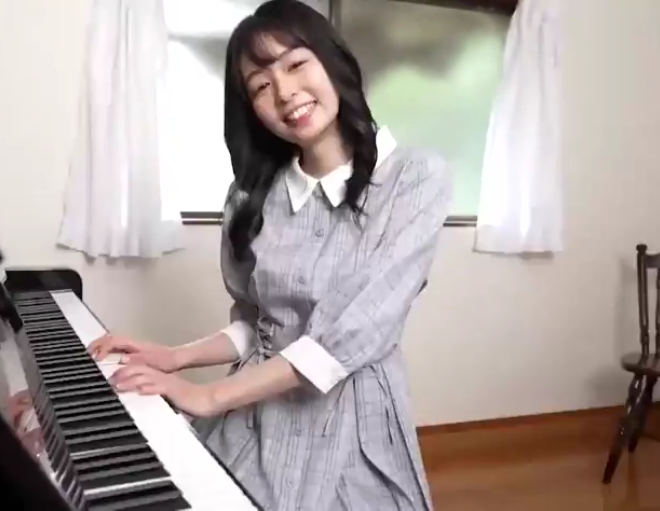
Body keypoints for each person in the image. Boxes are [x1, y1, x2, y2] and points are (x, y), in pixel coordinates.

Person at [88, 1, 452, 509]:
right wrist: (175, 357)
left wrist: (206, 396)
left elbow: (350, 336)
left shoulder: (414, 177)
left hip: (351, 421)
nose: (284, 92)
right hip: (254, 413)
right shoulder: (249, 196)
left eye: (296, 64)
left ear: (334, 62)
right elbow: (261, 326)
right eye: (260, 85)